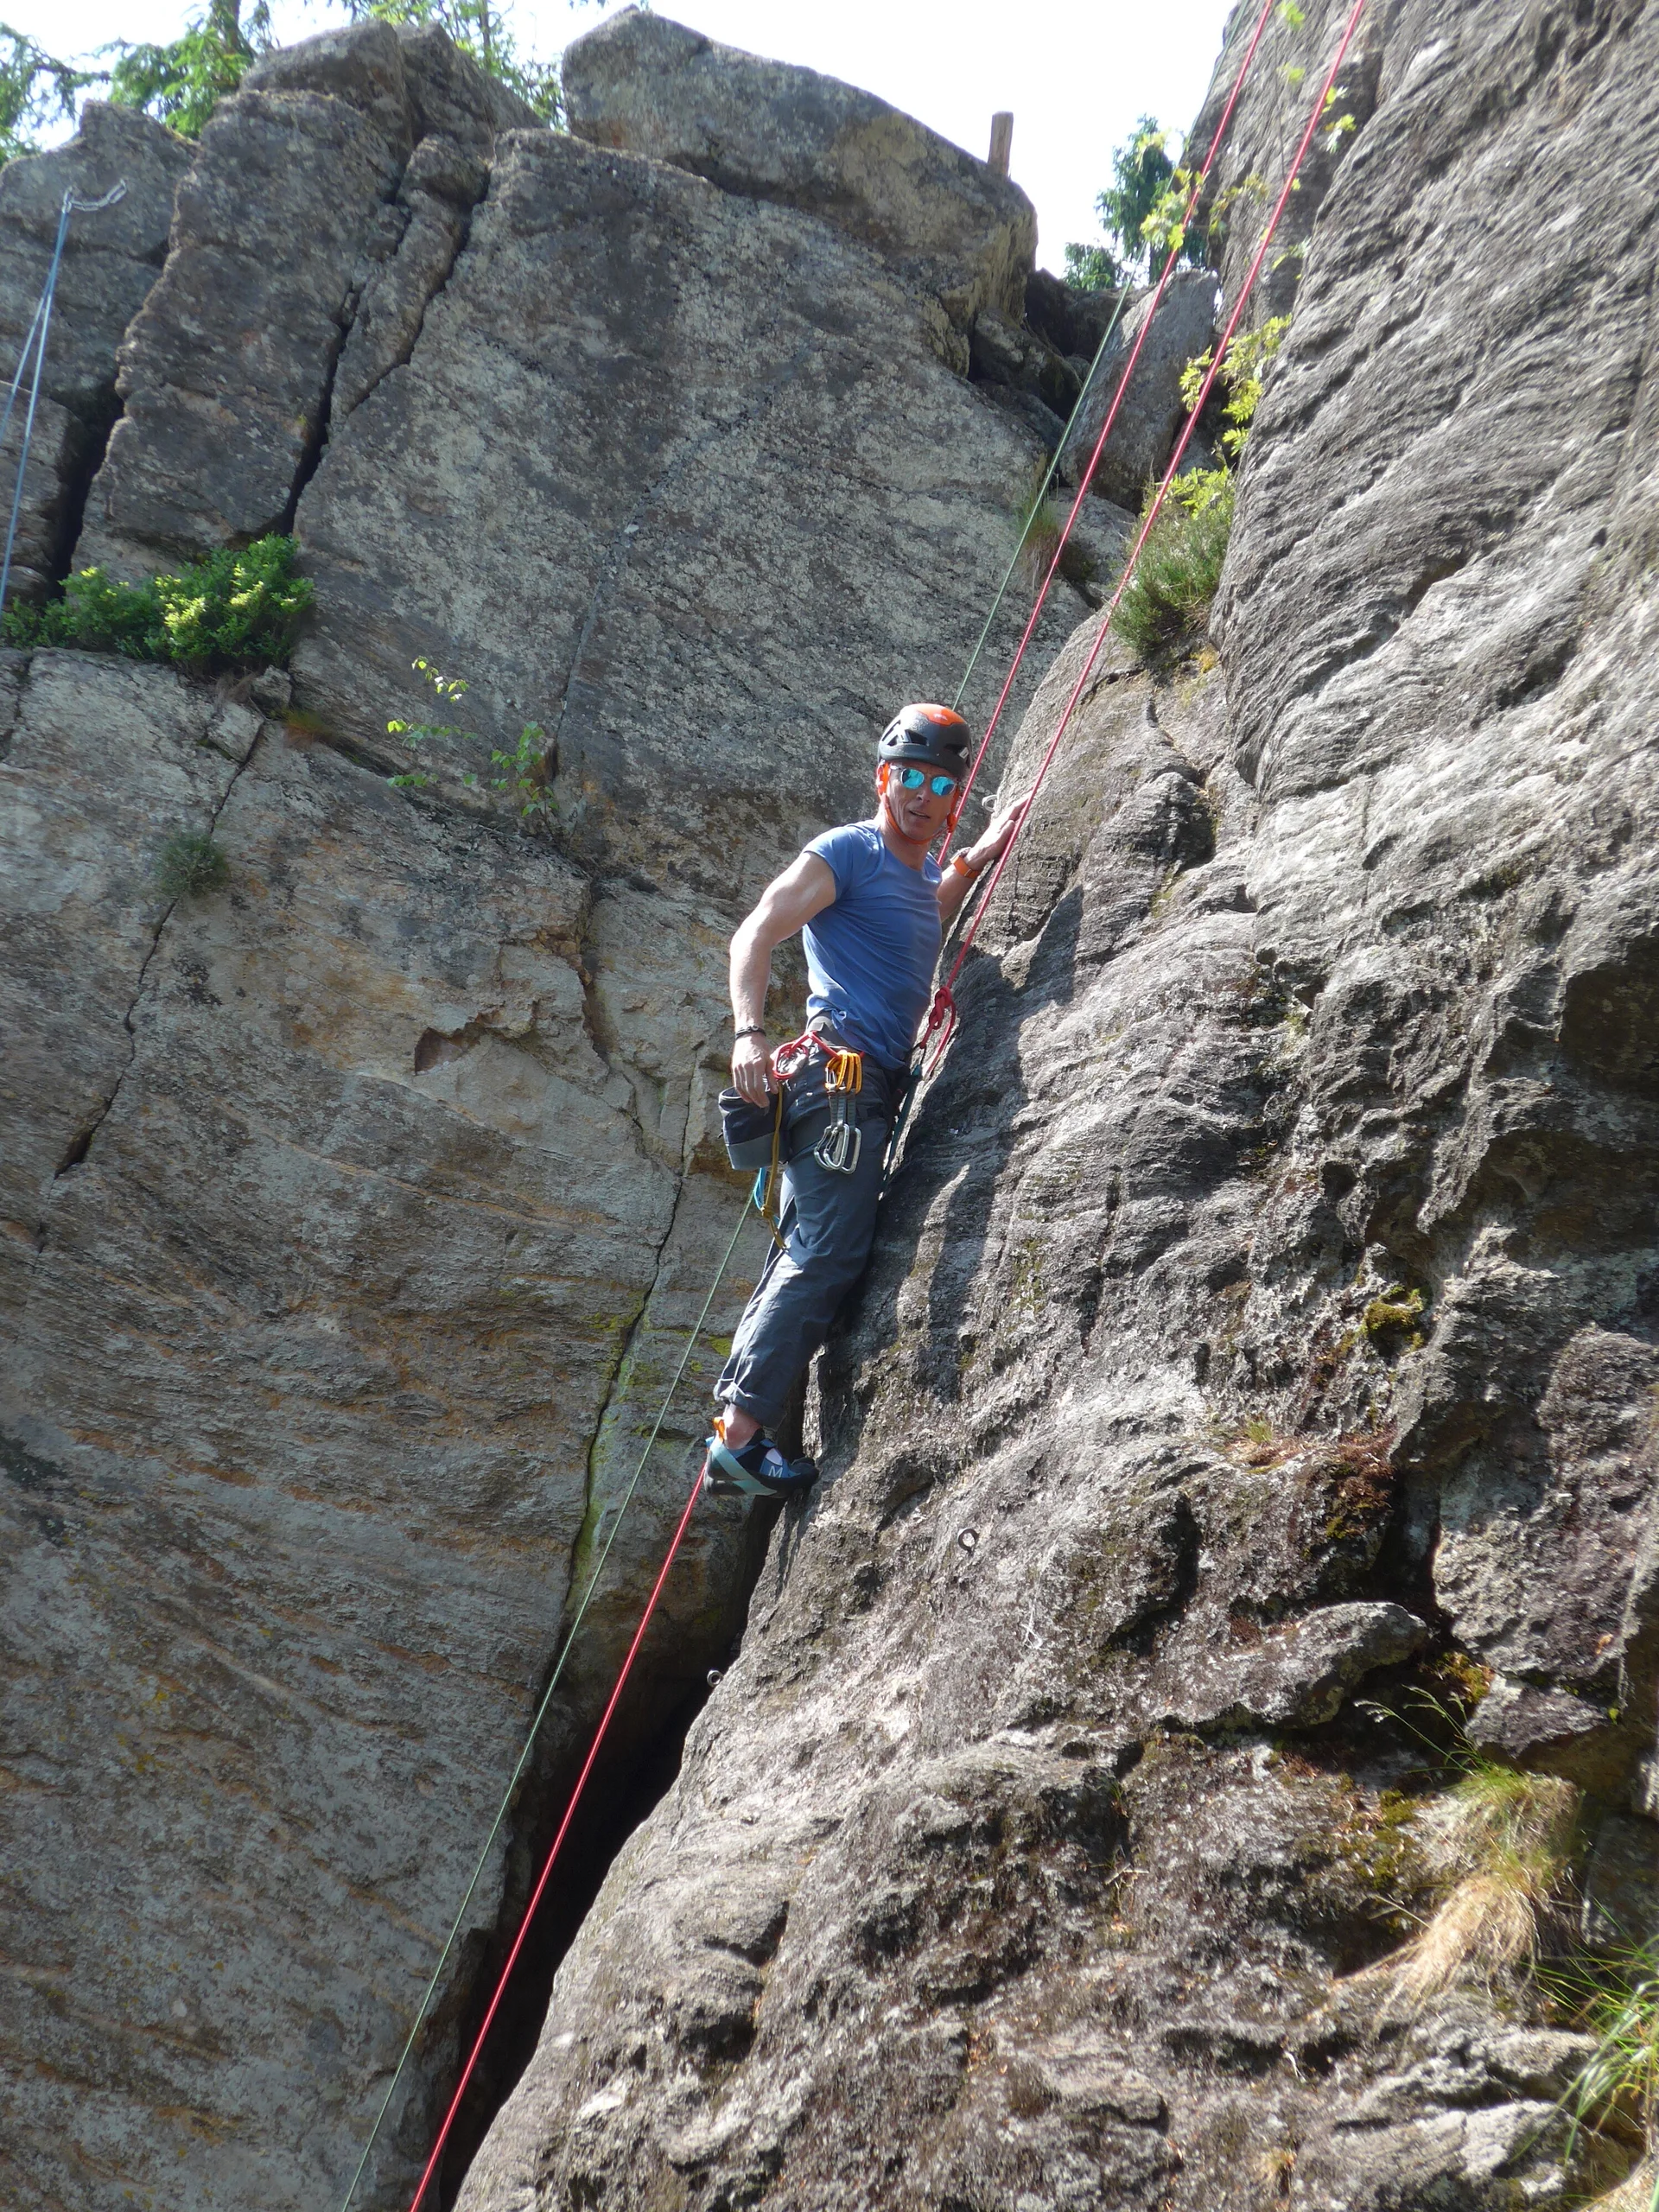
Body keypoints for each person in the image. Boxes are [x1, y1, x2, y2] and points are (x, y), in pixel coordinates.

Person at [704, 702, 1027, 1496]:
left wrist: (974, 859)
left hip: (861, 1088)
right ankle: (740, 1438)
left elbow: (918, 919)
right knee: (827, 1253)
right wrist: (748, 1034)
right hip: (837, 1081)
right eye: (909, 776)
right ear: (883, 778)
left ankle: (739, 1426)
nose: (922, 794)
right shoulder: (847, 851)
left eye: (941, 784)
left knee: (805, 1248)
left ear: (955, 799)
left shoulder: (914, 876)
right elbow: (755, 933)